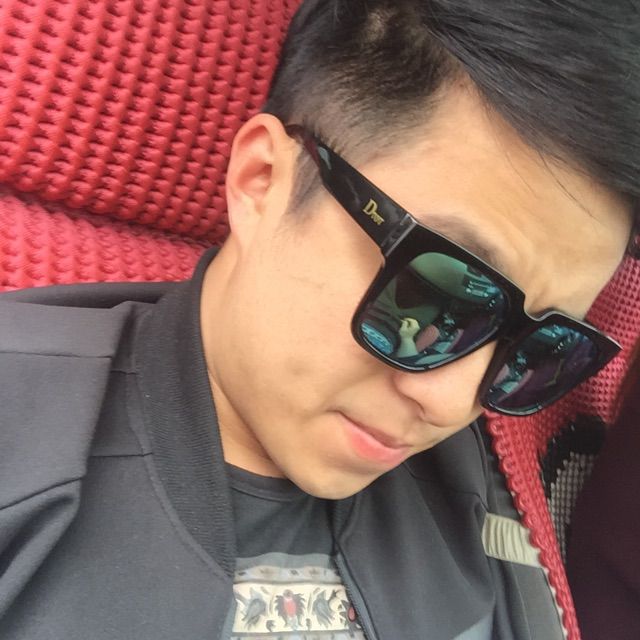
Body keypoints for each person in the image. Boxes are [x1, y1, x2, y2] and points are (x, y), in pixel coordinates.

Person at [0, 1, 638, 638]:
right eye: (432, 294)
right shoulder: (20, 438)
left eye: (543, 348)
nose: (452, 405)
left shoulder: (478, 496)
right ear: (262, 180)